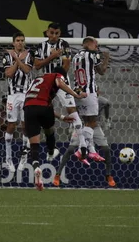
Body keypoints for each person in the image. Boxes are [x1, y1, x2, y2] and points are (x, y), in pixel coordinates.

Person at [54, 36, 115, 188]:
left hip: (79, 93)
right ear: (90, 44)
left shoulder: (76, 56)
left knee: (106, 148)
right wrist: (106, 58)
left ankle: (107, 174)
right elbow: (101, 71)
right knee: (88, 127)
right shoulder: (92, 55)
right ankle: (83, 153)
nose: (98, 47)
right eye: (96, 44)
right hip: (88, 94)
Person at [23, 67, 87, 190]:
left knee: (34, 143)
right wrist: (76, 95)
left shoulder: (38, 79)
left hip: (28, 107)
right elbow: (59, 83)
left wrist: (62, 117)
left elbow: (39, 102)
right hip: (44, 107)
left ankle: (36, 167)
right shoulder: (57, 76)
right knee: (49, 130)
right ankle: (51, 151)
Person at [33, 23, 85, 166]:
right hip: (46, 83)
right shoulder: (40, 46)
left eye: (57, 33)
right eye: (52, 33)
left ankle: (83, 146)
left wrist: (58, 77)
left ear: (60, 32)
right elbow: (37, 65)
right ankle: (49, 148)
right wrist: (52, 56)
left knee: (72, 110)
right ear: (47, 33)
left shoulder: (65, 44)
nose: (54, 36)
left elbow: (66, 65)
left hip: (61, 81)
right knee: (41, 112)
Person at [2, 33, 34, 172]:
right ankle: (8, 159)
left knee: (25, 126)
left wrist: (18, 59)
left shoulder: (29, 55)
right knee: (11, 125)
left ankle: (23, 158)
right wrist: (16, 60)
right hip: (12, 95)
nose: (20, 43)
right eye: (18, 41)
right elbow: (8, 73)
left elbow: (27, 70)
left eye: (22, 40)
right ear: (13, 42)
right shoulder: (7, 56)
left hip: (26, 94)